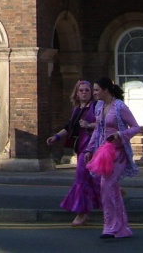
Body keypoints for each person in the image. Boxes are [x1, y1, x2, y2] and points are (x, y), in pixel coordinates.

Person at [84, 76, 141, 239]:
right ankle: (121, 228)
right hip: (103, 152)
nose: (94, 93)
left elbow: (136, 127)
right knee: (113, 190)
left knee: (106, 187)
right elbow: (97, 130)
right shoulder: (99, 106)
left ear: (105, 90)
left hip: (117, 154)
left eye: (96, 90)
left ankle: (109, 226)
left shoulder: (119, 107)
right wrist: (90, 149)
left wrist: (119, 134)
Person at [46, 80, 99, 226]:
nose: (84, 92)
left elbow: (104, 124)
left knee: (81, 178)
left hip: (91, 148)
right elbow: (69, 127)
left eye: (87, 90)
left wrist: (89, 125)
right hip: (80, 147)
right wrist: (56, 137)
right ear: (76, 93)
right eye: (81, 90)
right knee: (89, 179)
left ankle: (81, 213)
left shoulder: (95, 107)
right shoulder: (77, 109)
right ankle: (111, 192)